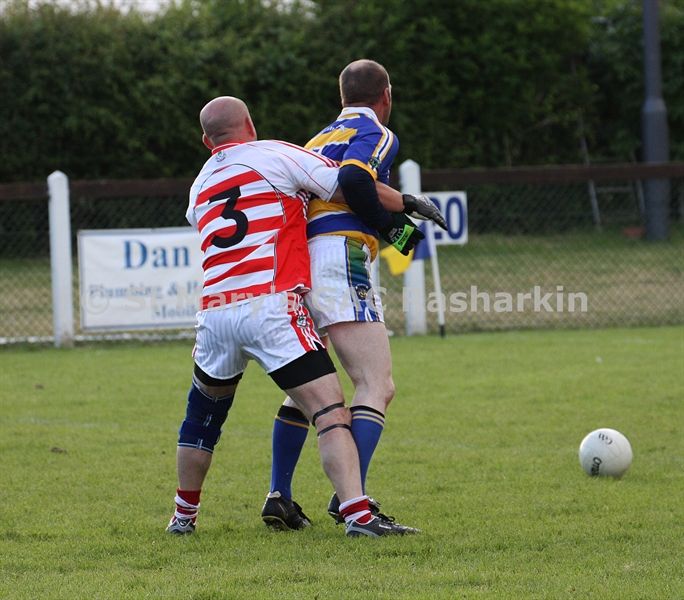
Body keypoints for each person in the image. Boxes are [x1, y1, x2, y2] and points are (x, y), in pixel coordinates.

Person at [167, 96, 429, 538]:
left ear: (206, 141)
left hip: (215, 311)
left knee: (202, 420)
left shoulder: (198, 186)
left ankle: (183, 518)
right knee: (329, 411)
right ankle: (358, 515)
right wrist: (402, 210)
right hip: (271, 305)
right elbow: (346, 185)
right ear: (250, 124)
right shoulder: (275, 153)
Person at [262, 60, 445, 532]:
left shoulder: (316, 140)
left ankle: (279, 495)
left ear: (341, 96)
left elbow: (339, 182)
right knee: (376, 383)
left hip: (303, 261)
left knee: (309, 389)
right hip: (341, 255)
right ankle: (352, 500)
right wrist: (393, 228)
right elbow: (355, 180)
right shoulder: (377, 132)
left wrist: (402, 207)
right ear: (386, 95)